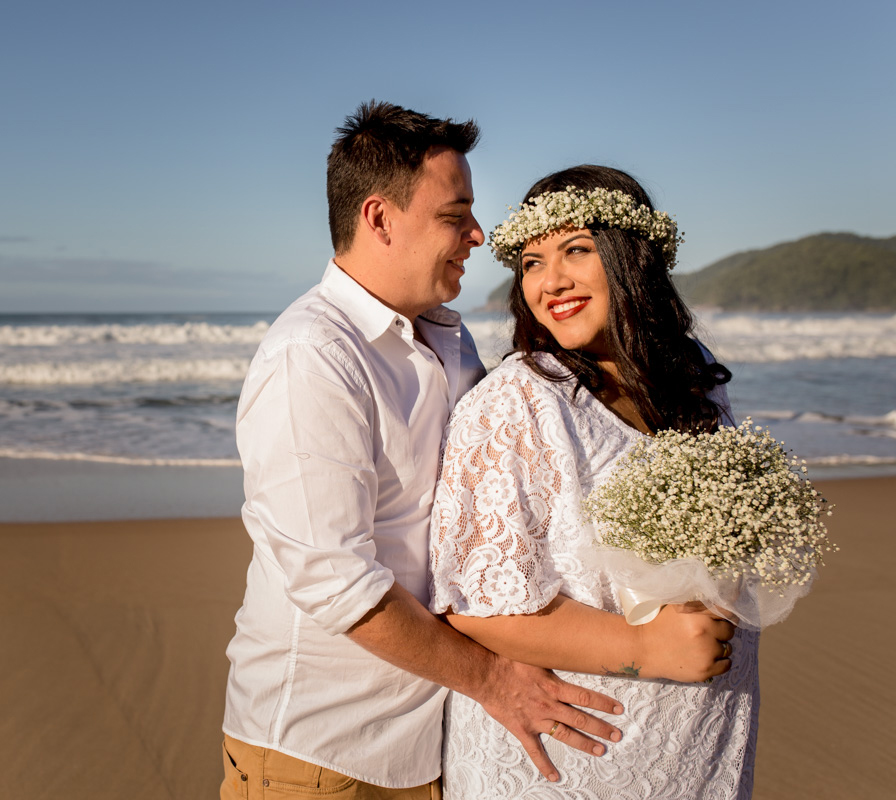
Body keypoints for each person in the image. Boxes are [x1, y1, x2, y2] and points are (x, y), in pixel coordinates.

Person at [221, 106, 626, 799]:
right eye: (455, 215)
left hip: (433, 742)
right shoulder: (312, 357)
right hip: (322, 756)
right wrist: (496, 680)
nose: (478, 235)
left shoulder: (448, 335)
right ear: (379, 218)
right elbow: (334, 581)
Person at [429, 164, 759, 799]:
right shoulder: (516, 402)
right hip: (571, 754)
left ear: (630, 256)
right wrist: (650, 648)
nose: (550, 282)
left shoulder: (694, 383)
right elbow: (474, 607)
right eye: (530, 262)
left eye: (576, 250)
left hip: (702, 740)